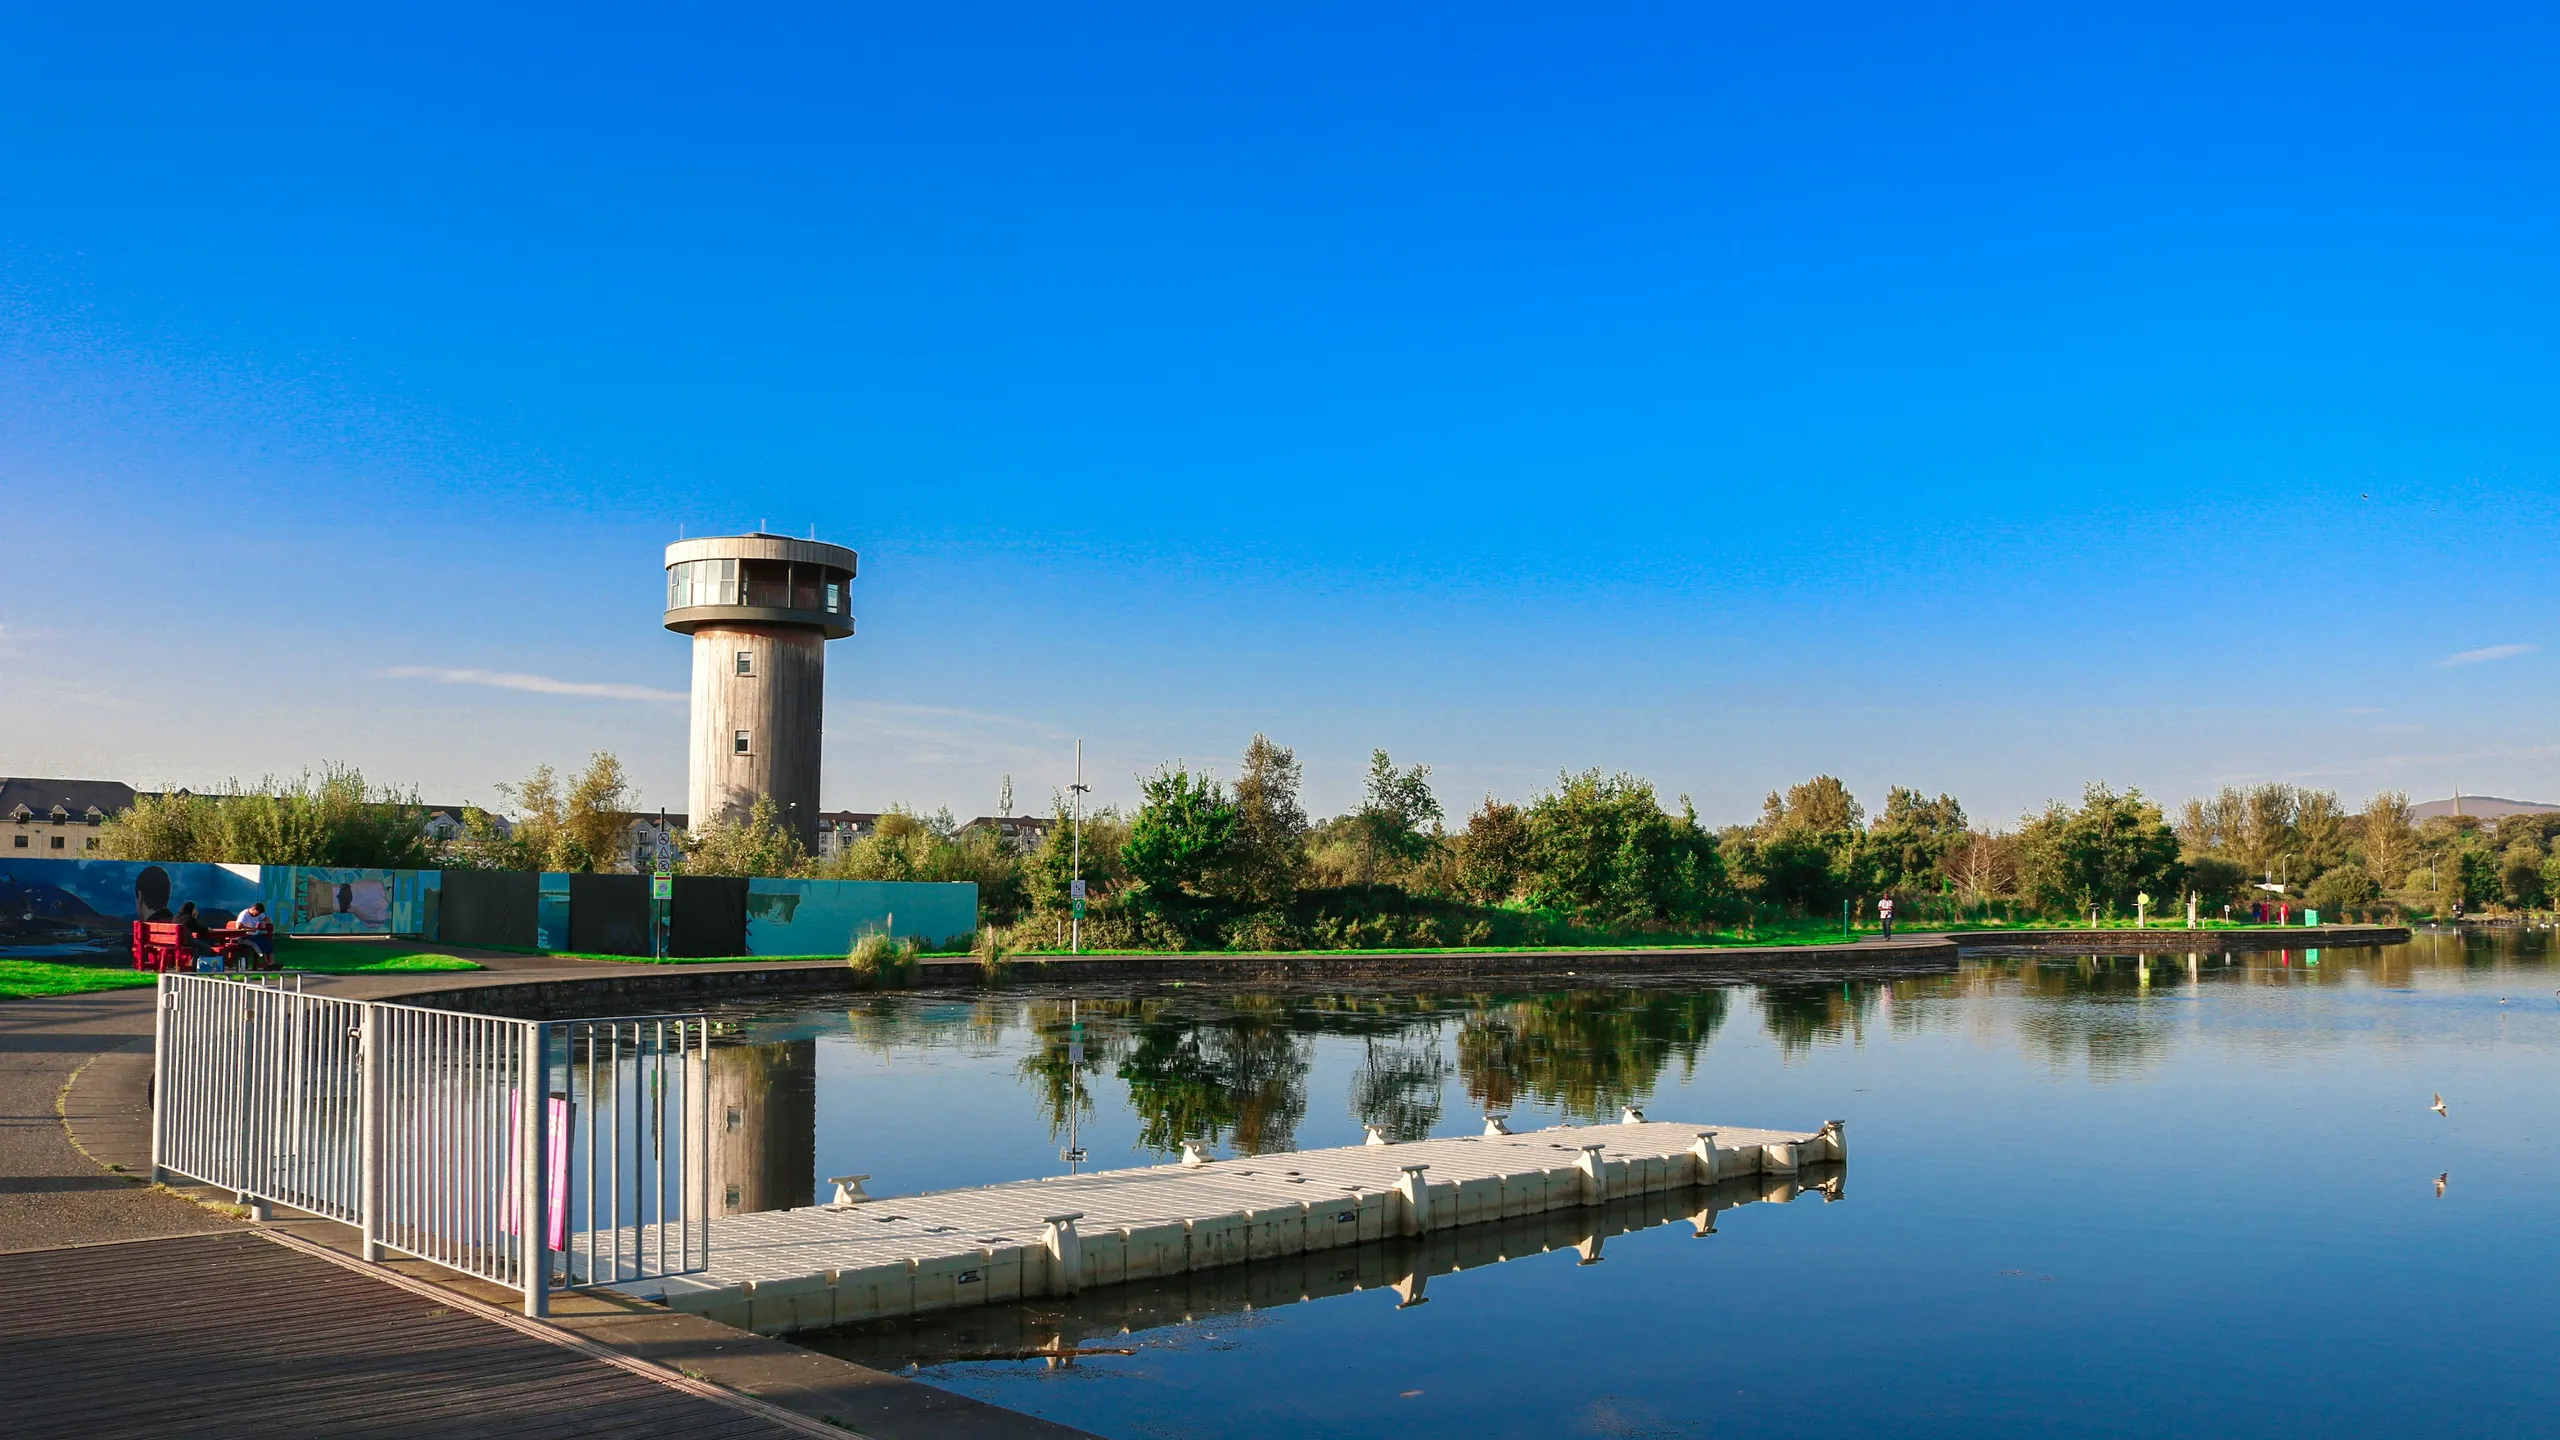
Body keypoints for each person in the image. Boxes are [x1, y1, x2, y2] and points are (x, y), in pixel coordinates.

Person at [236, 901, 275, 968]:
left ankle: (272, 962)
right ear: (253, 909)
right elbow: (238, 926)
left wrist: (263, 923)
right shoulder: (244, 914)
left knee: (267, 942)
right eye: (257, 913)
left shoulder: (259, 914)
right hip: (245, 936)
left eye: (259, 914)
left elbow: (268, 919)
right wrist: (251, 929)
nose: (257, 915)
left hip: (255, 935)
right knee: (257, 945)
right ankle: (267, 963)